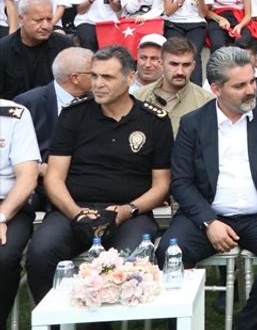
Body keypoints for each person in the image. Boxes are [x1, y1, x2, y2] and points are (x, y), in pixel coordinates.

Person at [164, 46, 257, 330]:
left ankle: (247, 326)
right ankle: (184, 325)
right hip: (208, 214)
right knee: (169, 253)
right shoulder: (193, 123)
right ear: (216, 88)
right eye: (240, 85)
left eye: (252, 81)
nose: (251, 89)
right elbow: (181, 181)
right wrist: (208, 221)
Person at [26, 46, 173, 303]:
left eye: (107, 77)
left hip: (128, 215)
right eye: (94, 76)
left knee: (128, 262)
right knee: (41, 253)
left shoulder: (154, 120)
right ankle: (54, 323)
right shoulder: (73, 115)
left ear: (130, 78)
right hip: (73, 211)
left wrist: (129, 209)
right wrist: (76, 213)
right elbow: (54, 177)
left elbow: (162, 184)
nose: (98, 84)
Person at [13, 46, 92, 159]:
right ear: (75, 78)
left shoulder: (99, 101)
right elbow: (15, 148)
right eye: (93, 74)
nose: (99, 79)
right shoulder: (28, 103)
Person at [0, 93, 38, 321]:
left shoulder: (14, 115)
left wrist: (1, 217)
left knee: (3, 258)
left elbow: (27, 177)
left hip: (9, 206)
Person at [0, 0, 74, 100]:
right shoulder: (3, 50)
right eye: (38, 20)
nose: (46, 26)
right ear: (21, 19)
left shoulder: (64, 47)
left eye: (49, 19)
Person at [133, 37, 213, 136]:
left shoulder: (207, 102)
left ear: (193, 66)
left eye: (186, 65)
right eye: (174, 64)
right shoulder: (138, 97)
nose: (180, 71)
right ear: (161, 64)